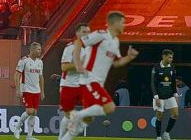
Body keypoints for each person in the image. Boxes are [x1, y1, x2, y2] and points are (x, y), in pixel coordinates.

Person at [62, 11, 139, 140]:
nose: (124, 26)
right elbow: (79, 42)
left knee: (88, 119)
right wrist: (79, 65)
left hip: (97, 82)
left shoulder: (115, 42)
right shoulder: (100, 35)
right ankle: (76, 115)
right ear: (113, 24)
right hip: (90, 79)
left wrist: (128, 57)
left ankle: (67, 137)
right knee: (109, 107)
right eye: (122, 23)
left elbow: (116, 63)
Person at [59, 23, 90, 140]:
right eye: (84, 32)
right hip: (68, 84)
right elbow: (64, 67)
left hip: (80, 85)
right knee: (70, 116)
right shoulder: (70, 47)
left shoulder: (85, 50)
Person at [12, 42, 44, 140]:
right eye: (38, 49)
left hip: (36, 90)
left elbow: (41, 77)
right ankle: (17, 127)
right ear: (33, 50)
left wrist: (42, 91)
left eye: (40, 49)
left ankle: (29, 136)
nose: (40, 51)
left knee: (34, 113)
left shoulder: (40, 62)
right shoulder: (24, 60)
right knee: (29, 111)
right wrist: (18, 90)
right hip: (26, 89)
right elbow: (16, 75)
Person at [152, 49, 179, 140]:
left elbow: (173, 82)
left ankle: (166, 134)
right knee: (160, 115)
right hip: (159, 96)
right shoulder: (156, 67)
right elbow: (152, 83)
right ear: (164, 56)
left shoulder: (172, 67)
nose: (171, 59)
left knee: (175, 114)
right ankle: (158, 137)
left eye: (172, 57)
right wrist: (156, 97)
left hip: (170, 95)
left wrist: (175, 94)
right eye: (169, 57)